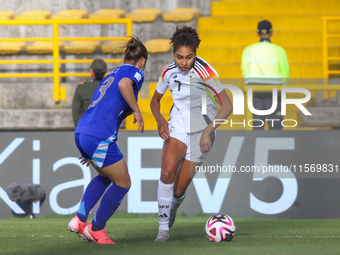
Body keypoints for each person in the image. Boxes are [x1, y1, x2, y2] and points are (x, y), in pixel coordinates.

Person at [150, 25, 233, 241]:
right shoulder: (168, 71)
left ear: (195, 54)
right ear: (173, 54)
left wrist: (208, 131)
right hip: (177, 124)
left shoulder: (206, 72)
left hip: (201, 129)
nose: (184, 62)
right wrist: (160, 119)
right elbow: (154, 101)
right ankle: (163, 231)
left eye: (189, 57)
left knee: (178, 191)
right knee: (167, 174)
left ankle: (173, 208)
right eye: (179, 57)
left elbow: (227, 106)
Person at [67, 36, 147, 244]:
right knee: (124, 182)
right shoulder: (135, 72)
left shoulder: (111, 73)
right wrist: (138, 111)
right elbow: (124, 85)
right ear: (143, 61)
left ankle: (80, 219)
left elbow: (105, 101)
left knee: (105, 176)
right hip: (99, 134)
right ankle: (96, 228)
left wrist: (88, 145)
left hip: (83, 131)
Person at [241, 20, 289, 130]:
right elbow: (285, 75)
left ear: (257, 33)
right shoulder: (279, 51)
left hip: (254, 92)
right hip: (274, 93)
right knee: (275, 129)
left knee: (257, 128)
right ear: (272, 33)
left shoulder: (248, 50)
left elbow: (244, 71)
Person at [72, 59, 107, 126]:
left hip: (85, 130)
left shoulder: (81, 88)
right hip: (104, 130)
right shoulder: (110, 88)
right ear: (105, 72)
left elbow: (76, 114)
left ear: (91, 70)